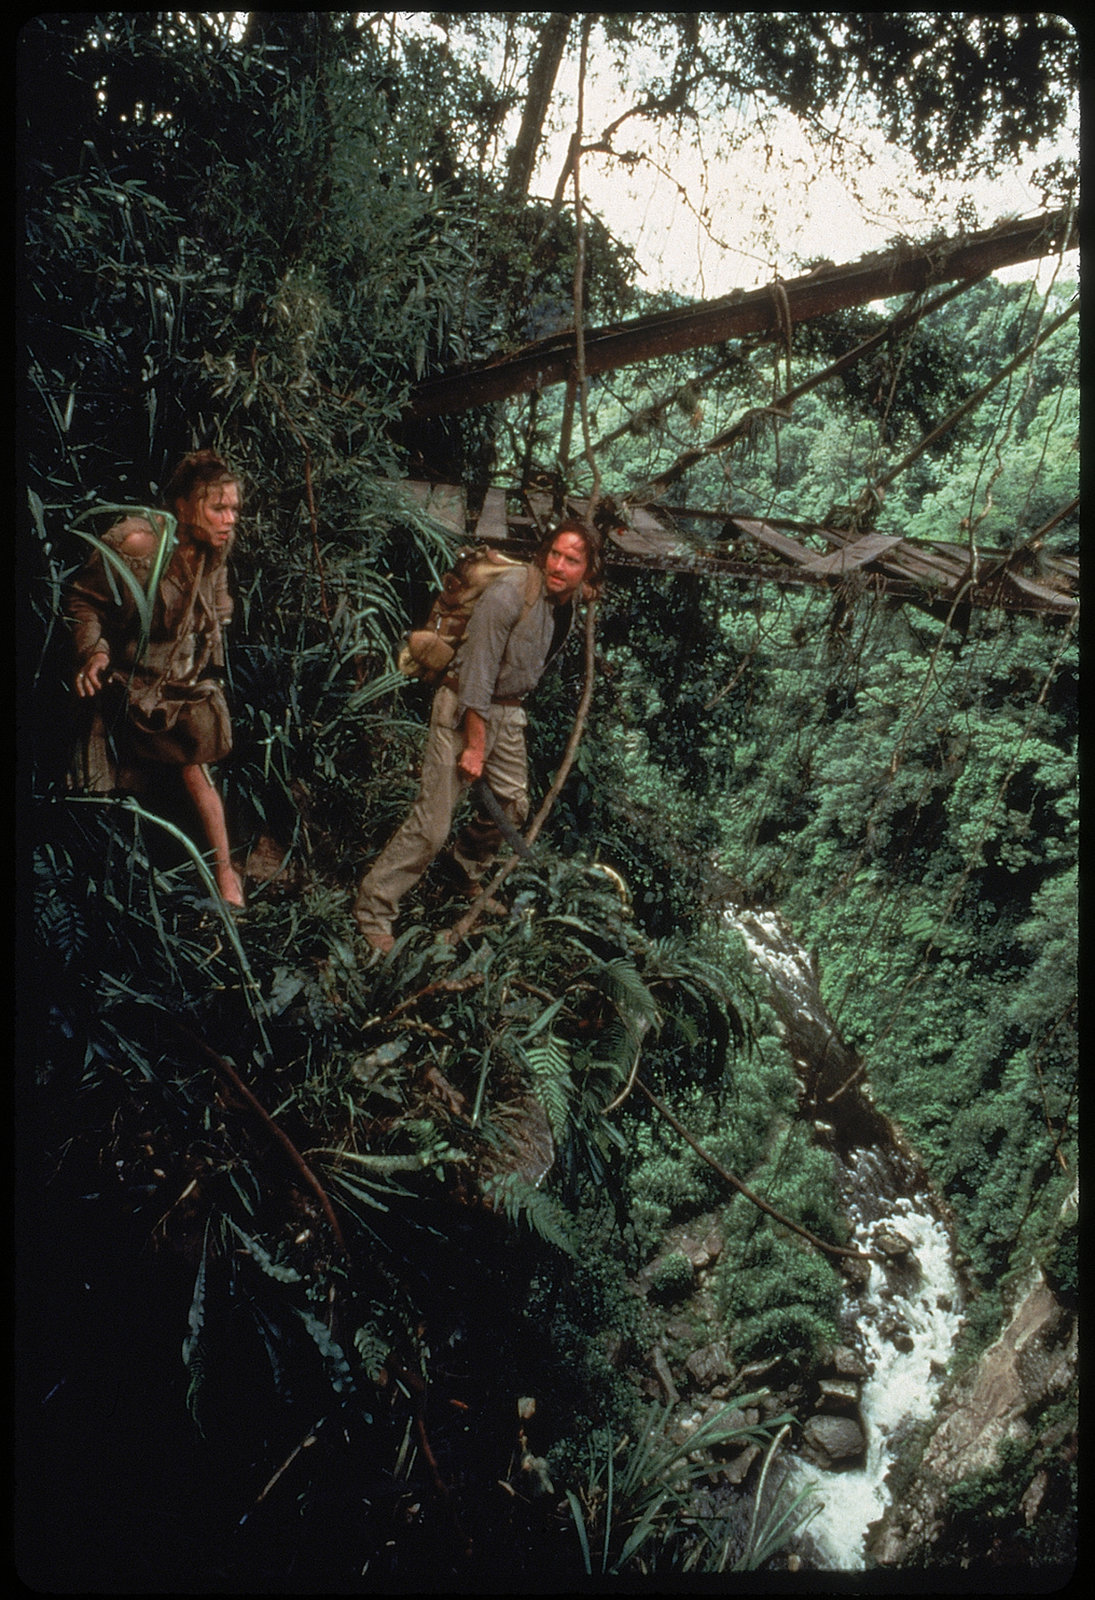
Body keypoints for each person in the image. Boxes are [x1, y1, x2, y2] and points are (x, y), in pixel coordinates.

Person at [353, 518, 603, 952]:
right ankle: (374, 909)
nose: (558, 566)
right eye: (555, 554)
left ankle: (460, 872)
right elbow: (476, 677)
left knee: (512, 804)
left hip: (508, 712)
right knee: (432, 826)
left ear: (587, 570)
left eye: (572, 560)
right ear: (543, 553)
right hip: (464, 708)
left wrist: (585, 590)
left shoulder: (563, 595)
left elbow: (580, 590)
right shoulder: (509, 595)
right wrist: (474, 745)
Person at [65, 449, 245, 908]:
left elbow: (215, 612)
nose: (228, 519)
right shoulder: (138, 541)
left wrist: (210, 655)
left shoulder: (215, 548)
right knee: (100, 800)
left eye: (234, 508)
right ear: (183, 506)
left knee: (197, 759)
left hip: (175, 690)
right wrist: (93, 653)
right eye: (217, 508)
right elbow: (84, 601)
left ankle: (227, 879)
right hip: (121, 686)